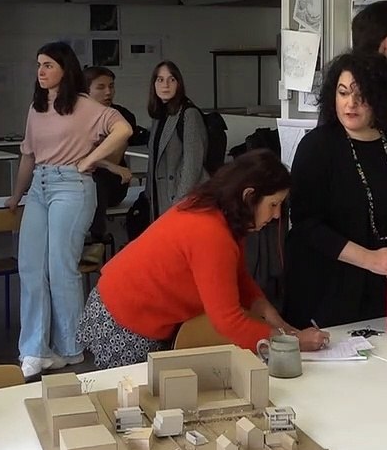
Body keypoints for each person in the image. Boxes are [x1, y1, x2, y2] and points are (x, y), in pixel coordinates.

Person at [79, 150, 329, 369]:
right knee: (137, 410)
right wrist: (291, 342)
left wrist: (275, 319)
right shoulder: (211, 232)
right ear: (248, 196)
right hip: (122, 322)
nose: (276, 215)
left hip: (127, 308)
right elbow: (228, 321)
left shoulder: (224, 215)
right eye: (273, 204)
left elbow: (239, 278)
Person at [5, 43, 132, 379]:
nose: (41, 71)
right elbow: (28, 156)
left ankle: (71, 348)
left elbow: (123, 130)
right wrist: (16, 195)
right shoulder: (36, 107)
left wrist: (90, 160)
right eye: (39, 65)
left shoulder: (85, 106)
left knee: (60, 267)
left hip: (71, 187)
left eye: (48, 65)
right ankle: (33, 349)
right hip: (40, 186)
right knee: (31, 266)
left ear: (65, 68)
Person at [284, 52, 387, 328]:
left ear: (381, 98)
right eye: (343, 93)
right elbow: (306, 225)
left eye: (362, 95)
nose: (351, 104)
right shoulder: (317, 147)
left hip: (384, 285)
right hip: (325, 288)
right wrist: (371, 259)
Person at [84, 66, 140, 242]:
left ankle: (97, 238)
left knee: (96, 178)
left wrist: (92, 154)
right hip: (82, 180)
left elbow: (112, 159)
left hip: (112, 182)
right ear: (86, 91)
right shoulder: (77, 116)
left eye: (111, 86)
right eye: (101, 87)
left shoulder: (122, 116)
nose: (108, 92)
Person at [146, 61, 207, 221]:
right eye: (160, 80)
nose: (165, 85)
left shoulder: (189, 114)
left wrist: (180, 201)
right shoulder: (159, 115)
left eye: (171, 79)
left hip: (180, 198)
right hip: (160, 197)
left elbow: (192, 165)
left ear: (178, 83)